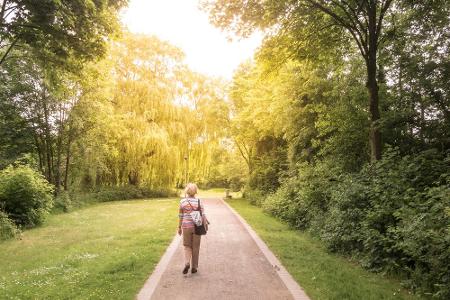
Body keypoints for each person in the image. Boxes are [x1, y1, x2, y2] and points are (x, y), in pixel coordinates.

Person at [178, 183, 208, 274]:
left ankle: (187, 262)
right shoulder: (199, 201)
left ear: (187, 191)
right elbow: (202, 214)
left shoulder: (182, 202)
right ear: (195, 191)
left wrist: (179, 227)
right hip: (197, 227)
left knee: (187, 246)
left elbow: (180, 215)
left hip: (186, 226)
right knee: (196, 247)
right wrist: (205, 224)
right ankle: (194, 267)